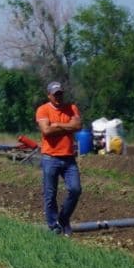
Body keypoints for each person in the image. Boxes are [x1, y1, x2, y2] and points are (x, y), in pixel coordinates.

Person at [37, 81, 82, 236]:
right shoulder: (43, 110)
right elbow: (46, 131)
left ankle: (63, 219)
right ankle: (53, 225)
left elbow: (78, 126)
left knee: (75, 189)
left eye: (60, 94)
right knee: (50, 194)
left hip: (69, 157)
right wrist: (66, 126)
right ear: (49, 95)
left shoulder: (72, 108)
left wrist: (57, 124)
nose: (58, 97)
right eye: (55, 94)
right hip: (50, 157)